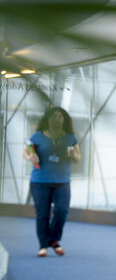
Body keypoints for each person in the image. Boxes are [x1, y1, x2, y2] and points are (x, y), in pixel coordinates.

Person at [22, 106, 81, 257]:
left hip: (62, 181)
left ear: (64, 119)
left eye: (60, 116)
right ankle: (43, 246)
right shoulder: (37, 136)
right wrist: (31, 157)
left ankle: (54, 240)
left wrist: (73, 156)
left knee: (62, 211)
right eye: (54, 116)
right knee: (43, 214)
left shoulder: (69, 137)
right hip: (40, 181)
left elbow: (77, 157)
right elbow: (26, 152)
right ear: (48, 119)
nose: (57, 119)